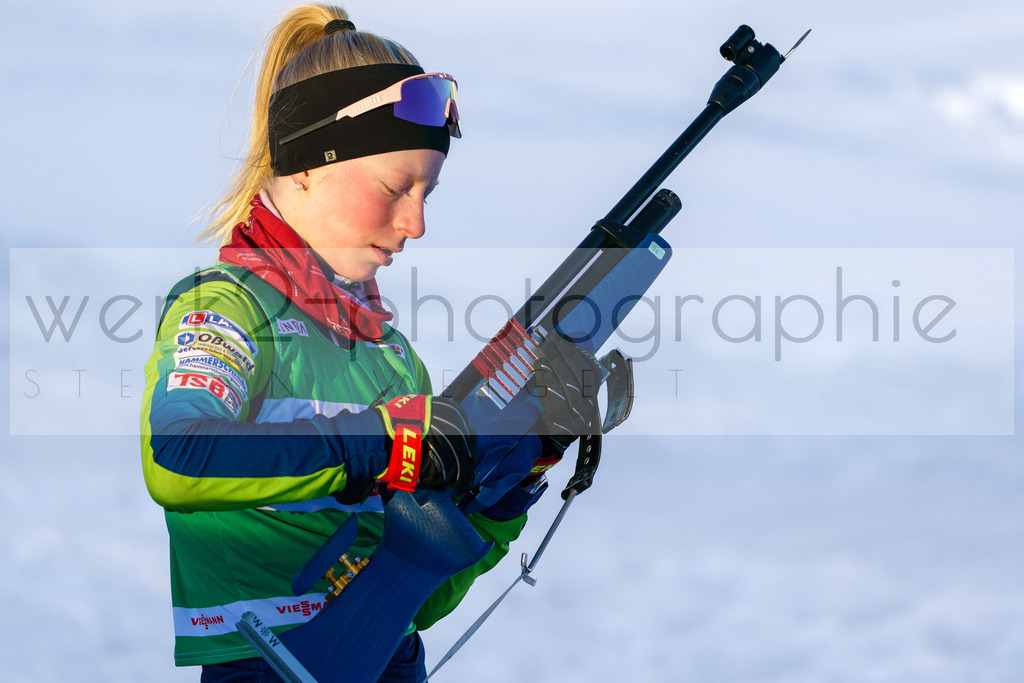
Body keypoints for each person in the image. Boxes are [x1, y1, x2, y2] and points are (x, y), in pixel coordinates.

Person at [141, 5, 598, 681]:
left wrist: (513, 477)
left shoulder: (390, 356)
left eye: (427, 192)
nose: (414, 222)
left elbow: (418, 592)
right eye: (394, 187)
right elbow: (180, 454)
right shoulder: (225, 305)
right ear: (303, 163)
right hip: (268, 665)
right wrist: (385, 442)